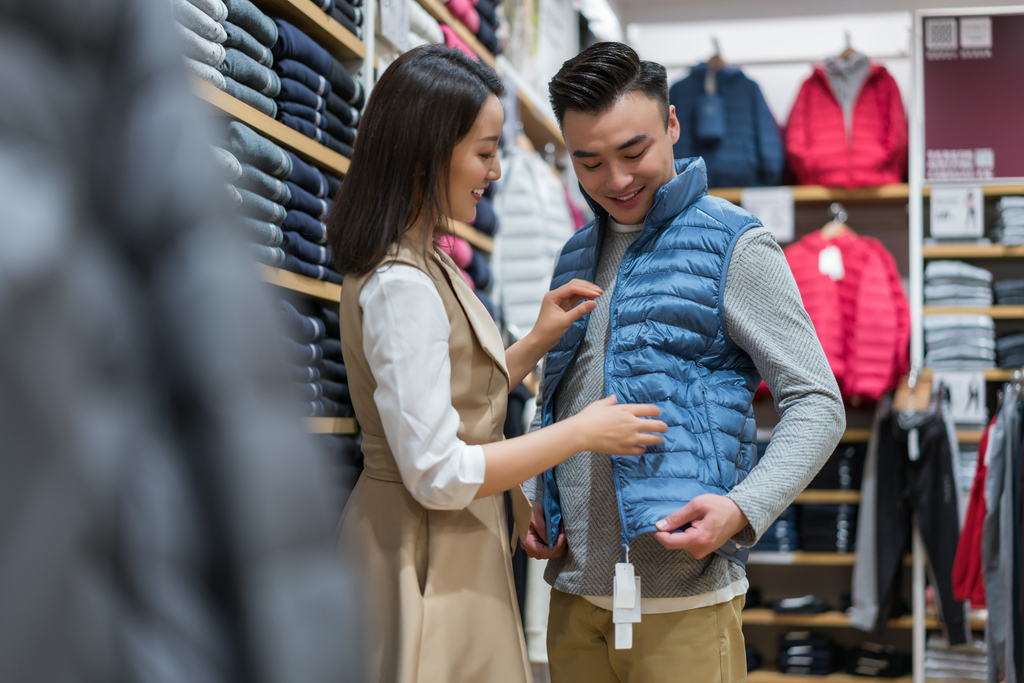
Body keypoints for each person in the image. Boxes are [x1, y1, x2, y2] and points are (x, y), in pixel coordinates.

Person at [325, 45, 668, 683]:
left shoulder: (423, 258)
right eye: (484, 152)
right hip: (422, 552)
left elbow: (449, 397)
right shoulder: (403, 283)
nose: (496, 170)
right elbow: (436, 471)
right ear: (430, 151)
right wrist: (578, 434)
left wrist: (536, 340)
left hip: (445, 541)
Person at [520, 42, 846, 683]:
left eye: (633, 152)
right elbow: (555, 394)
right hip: (575, 594)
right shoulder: (574, 255)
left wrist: (745, 508)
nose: (615, 180)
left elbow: (817, 401)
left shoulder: (734, 243)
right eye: (589, 162)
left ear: (672, 125)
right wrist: (540, 490)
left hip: (683, 602)